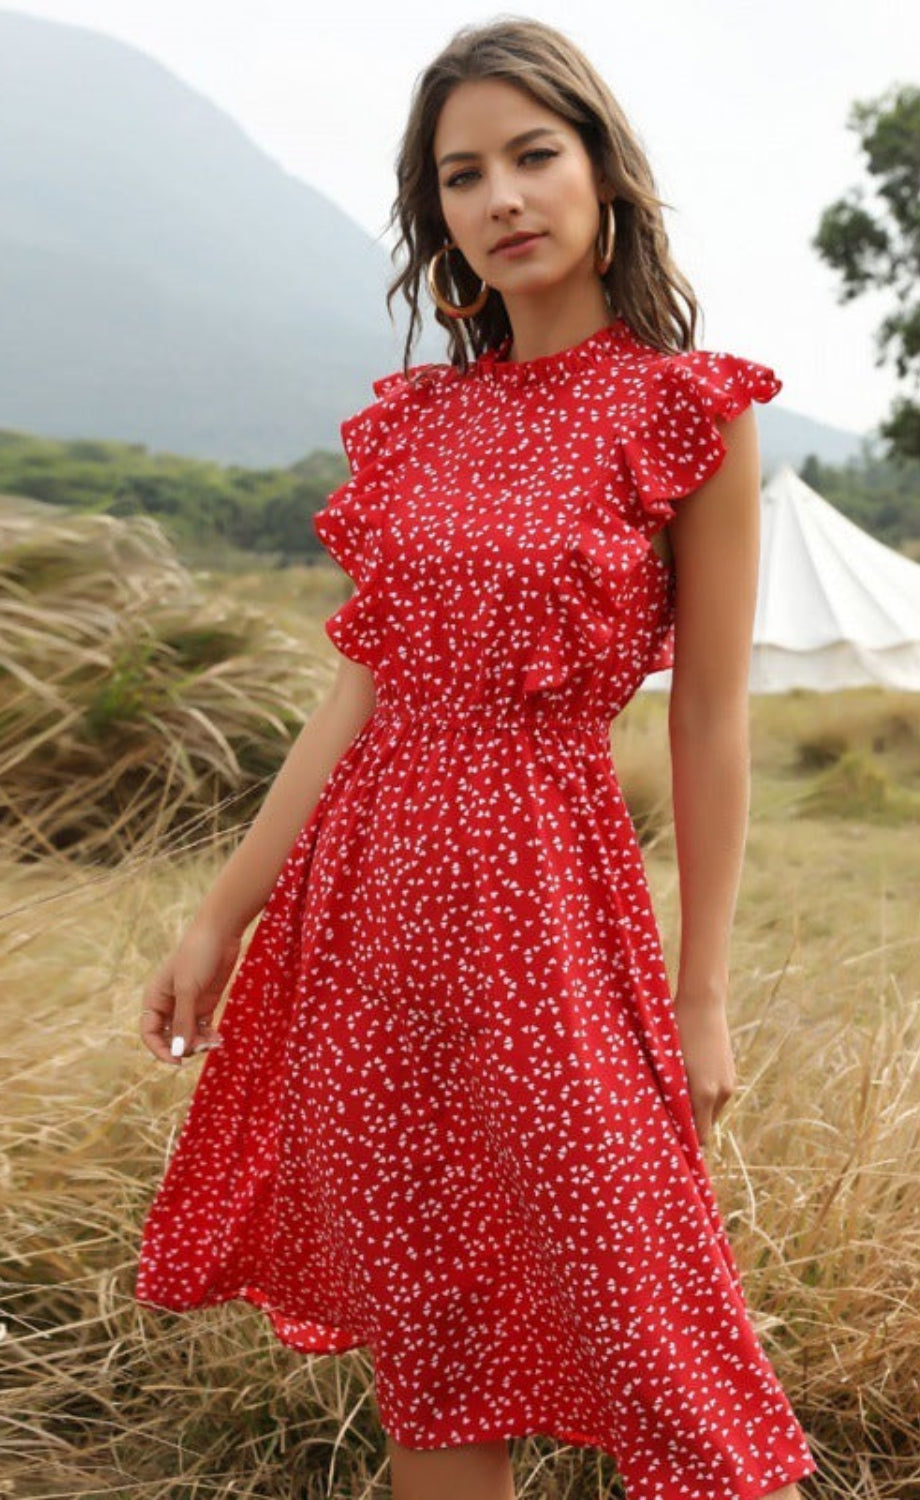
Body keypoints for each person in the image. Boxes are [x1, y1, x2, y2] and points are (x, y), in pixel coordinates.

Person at [135, 18, 819, 1500]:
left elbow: (710, 718)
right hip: (371, 914)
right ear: (433, 214)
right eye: (462, 175)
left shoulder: (686, 413)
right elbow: (355, 701)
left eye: (532, 156)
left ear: (604, 178)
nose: (501, 196)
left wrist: (702, 994)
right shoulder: (420, 428)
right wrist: (220, 914)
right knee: (437, 1346)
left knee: (658, 1326)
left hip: (546, 908)